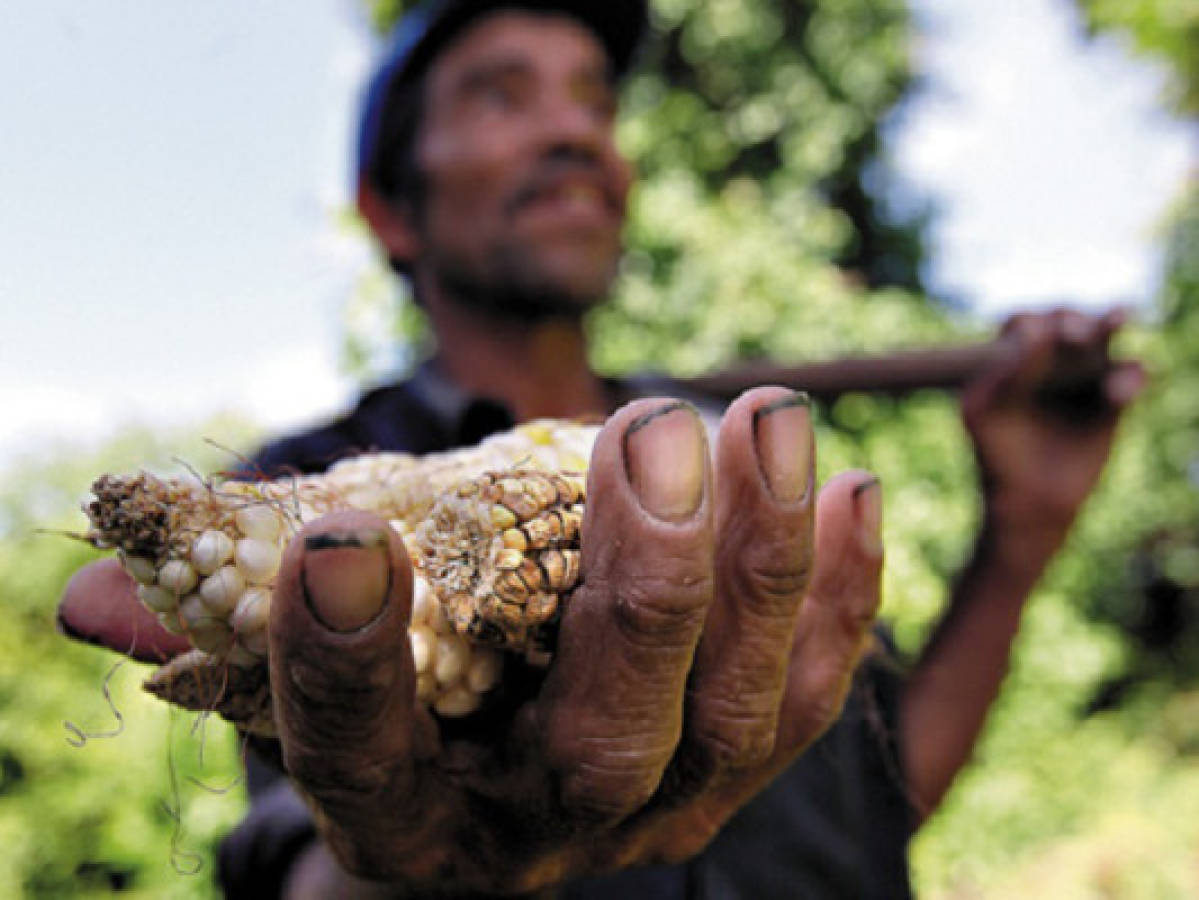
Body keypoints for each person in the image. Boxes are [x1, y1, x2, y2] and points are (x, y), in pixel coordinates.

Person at [57, 0, 1145, 896]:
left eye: (593, 98)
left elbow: (879, 788)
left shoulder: (732, 459)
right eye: (501, 93)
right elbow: (302, 861)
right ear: (391, 211)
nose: (574, 130)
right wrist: (431, 871)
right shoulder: (299, 499)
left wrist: (1021, 534)